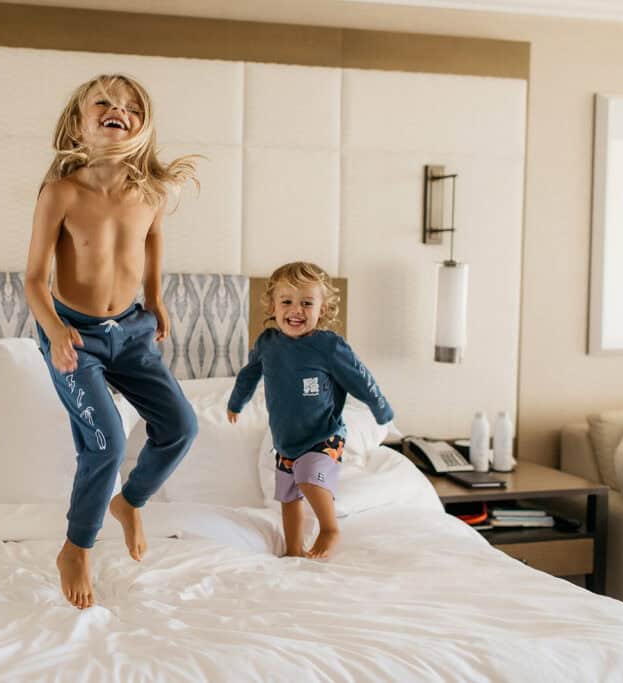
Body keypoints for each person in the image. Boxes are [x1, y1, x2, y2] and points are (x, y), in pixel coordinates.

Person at [24, 74, 200, 610]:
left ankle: (131, 502)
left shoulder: (149, 193)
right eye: (103, 101)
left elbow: (151, 237)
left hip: (132, 330)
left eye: (130, 106)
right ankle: (76, 547)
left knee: (181, 426)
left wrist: (157, 297)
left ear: (142, 127)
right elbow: (33, 280)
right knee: (106, 440)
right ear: (79, 121)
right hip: (74, 335)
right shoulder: (61, 192)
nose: (116, 108)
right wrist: (55, 332)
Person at [227, 262, 394, 559]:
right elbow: (249, 374)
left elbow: (361, 378)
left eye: (307, 303)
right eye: (287, 302)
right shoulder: (267, 344)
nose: (296, 310)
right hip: (286, 442)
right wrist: (236, 403)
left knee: (307, 476)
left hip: (323, 435)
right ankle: (293, 551)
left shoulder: (328, 346)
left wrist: (381, 409)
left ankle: (330, 528)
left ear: (324, 309)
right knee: (288, 497)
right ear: (273, 305)